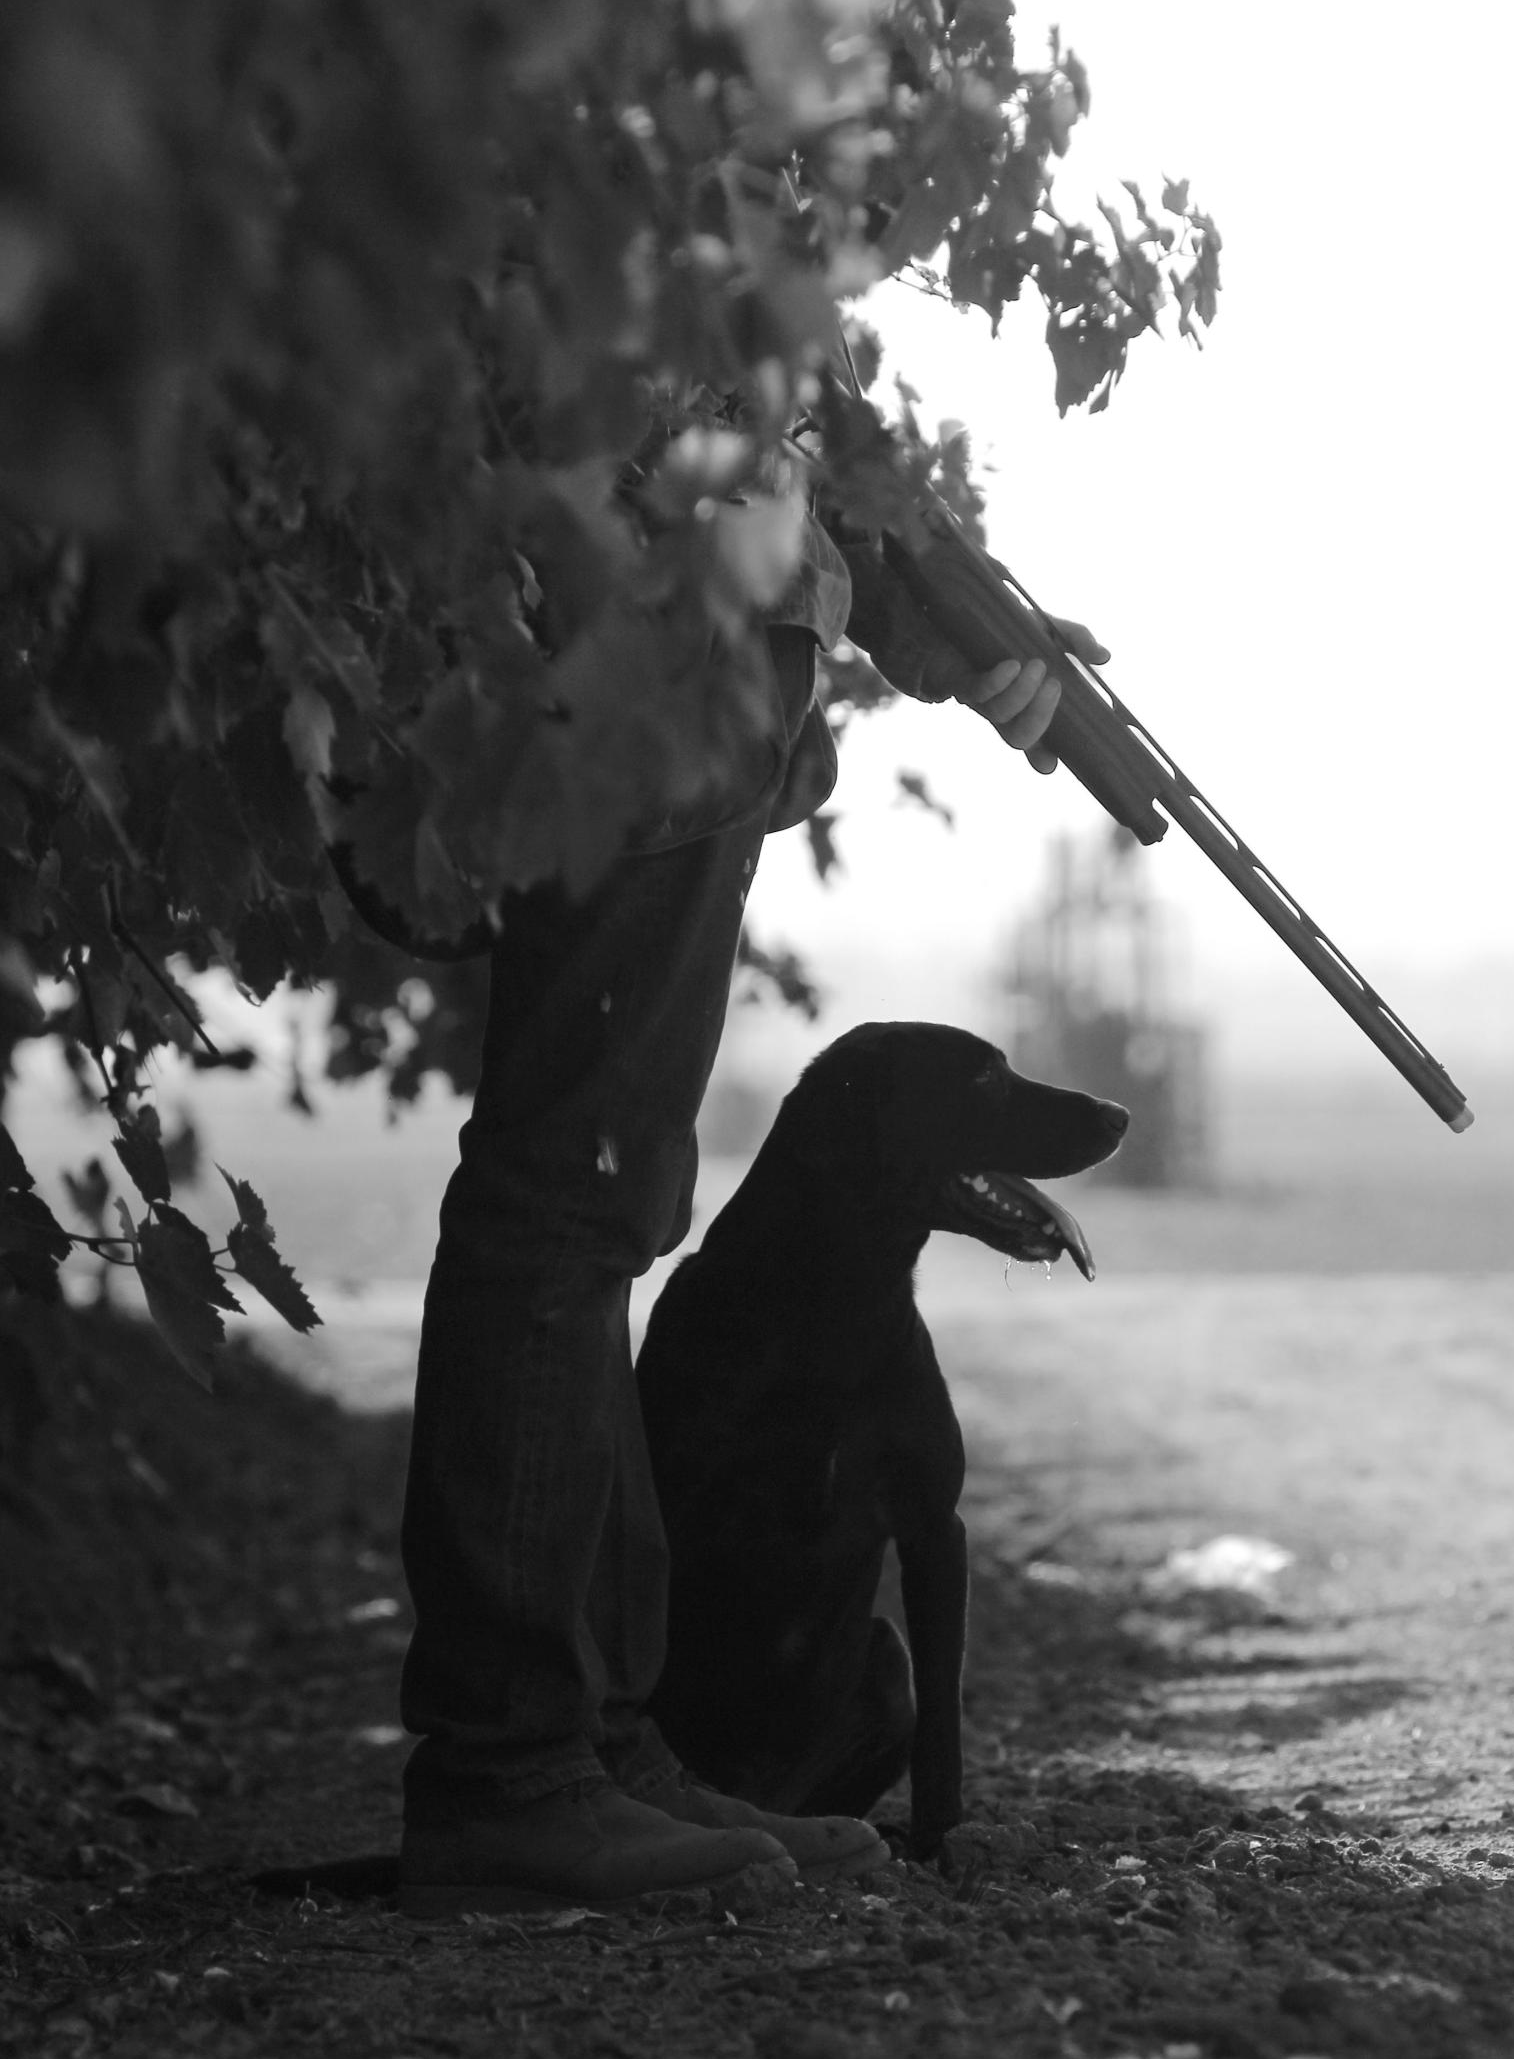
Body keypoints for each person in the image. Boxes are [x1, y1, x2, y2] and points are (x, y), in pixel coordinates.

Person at [396, 488, 1106, 1916]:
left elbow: (795, 440)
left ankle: (598, 1751)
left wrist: (947, 624)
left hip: (693, 664)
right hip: (648, 652)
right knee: (571, 1192)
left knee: (607, 1203)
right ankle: (515, 1774)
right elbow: (730, 409)